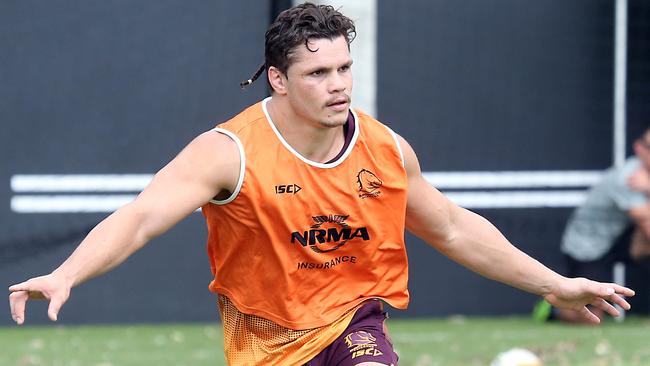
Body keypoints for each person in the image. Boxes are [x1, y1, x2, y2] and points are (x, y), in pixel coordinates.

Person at [9, 3, 634, 365]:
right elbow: (141, 216)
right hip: (263, 340)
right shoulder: (229, 152)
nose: (337, 84)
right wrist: (68, 272)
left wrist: (557, 286)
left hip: (352, 325)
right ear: (279, 80)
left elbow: (450, 226)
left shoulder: (385, 148)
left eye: (344, 68)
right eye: (317, 73)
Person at [548, 128, 650, 323]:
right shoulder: (628, 178)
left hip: (619, 238)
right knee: (591, 318)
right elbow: (646, 224)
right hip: (588, 247)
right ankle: (552, 308)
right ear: (639, 149)